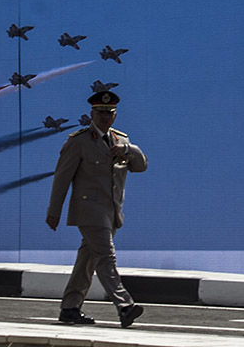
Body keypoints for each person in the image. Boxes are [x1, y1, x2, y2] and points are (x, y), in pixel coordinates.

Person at [46, 90, 148, 328]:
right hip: (89, 211)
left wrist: (129, 150)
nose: (104, 117)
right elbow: (61, 179)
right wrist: (54, 210)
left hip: (111, 211)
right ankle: (125, 306)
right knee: (105, 257)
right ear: (91, 114)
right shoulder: (79, 141)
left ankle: (70, 308)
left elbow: (141, 166)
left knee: (87, 260)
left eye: (109, 113)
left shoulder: (121, 141)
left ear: (115, 116)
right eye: (100, 112)